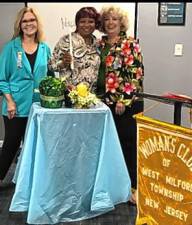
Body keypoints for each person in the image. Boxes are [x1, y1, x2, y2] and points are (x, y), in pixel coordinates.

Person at [96, 6, 144, 204]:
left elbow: (135, 74)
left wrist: (123, 99)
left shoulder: (129, 43)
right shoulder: (100, 44)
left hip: (125, 104)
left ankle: (133, 188)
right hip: (102, 102)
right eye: (107, 19)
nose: (110, 23)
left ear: (121, 22)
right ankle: (113, 186)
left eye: (114, 19)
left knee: (128, 146)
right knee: (108, 146)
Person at [0, 7, 51, 186]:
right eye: (25, 21)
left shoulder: (45, 49)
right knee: (11, 145)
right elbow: (2, 78)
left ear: (37, 24)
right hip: (16, 106)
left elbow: (51, 76)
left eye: (32, 20)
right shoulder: (11, 48)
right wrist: (10, 101)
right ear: (20, 25)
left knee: (34, 146)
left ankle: (28, 183)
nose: (29, 24)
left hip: (38, 106)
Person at [48, 7, 101, 93]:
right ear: (77, 23)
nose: (86, 25)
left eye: (91, 21)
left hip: (92, 97)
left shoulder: (98, 44)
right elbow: (51, 66)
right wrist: (63, 63)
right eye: (82, 21)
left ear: (96, 24)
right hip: (70, 95)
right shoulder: (66, 41)